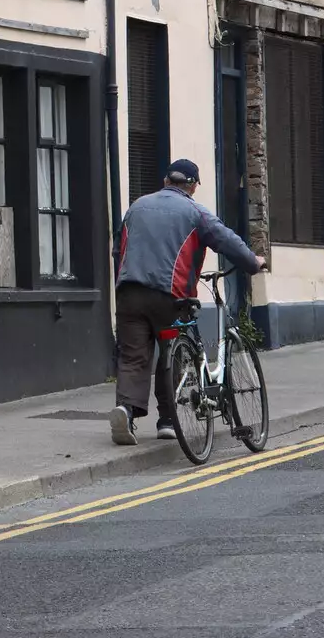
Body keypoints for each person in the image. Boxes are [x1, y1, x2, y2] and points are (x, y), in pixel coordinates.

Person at [110, 159, 266, 446]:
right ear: (192, 186)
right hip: (170, 296)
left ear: (167, 181)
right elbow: (227, 241)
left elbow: (118, 248)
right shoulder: (195, 212)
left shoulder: (136, 207)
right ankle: (169, 421)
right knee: (174, 354)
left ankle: (126, 410)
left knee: (133, 356)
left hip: (129, 293)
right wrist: (253, 263)